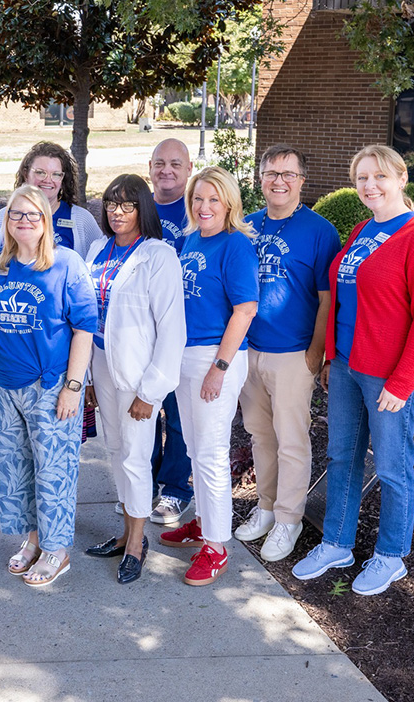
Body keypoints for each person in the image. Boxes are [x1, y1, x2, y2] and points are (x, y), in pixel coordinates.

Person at [293, 145, 414, 596]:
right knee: (342, 456)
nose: (369, 186)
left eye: (379, 176)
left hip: (392, 376)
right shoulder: (363, 229)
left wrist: (402, 383)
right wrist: (331, 359)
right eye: (361, 178)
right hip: (346, 367)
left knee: (393, 465)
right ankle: (337, 542)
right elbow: (346, 301)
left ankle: (391, 555)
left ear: (401, 178)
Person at [0, 185, 97, 587]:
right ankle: (33, 540)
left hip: (51, 386)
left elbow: (84, 327)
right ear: (6, 220)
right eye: (17, 214)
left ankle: (57, 550)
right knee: (17, 469)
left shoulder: (67, 264)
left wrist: (73, 385)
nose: (25, 221)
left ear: (46, 220)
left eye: (33, 215)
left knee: (54, 471)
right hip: (6, 387)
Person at [234, 146, 340, 562]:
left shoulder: (319, 230)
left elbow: (328, 299)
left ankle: (289, 519)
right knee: (260, 435)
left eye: (288, 174)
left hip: (294, 354)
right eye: (271, 172)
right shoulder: (246, 226)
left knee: (293, 440)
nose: (278, 180)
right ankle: (265, 508)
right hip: (249, 351)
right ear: (260, 178)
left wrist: (317, 352)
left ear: (301, 181)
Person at [159, 166, 258, 587]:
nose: (204, 206)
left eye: (213, 199)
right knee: (196, 448)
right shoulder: (190, 240)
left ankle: (217, 547)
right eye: (198, 198)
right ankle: (202, 522)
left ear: (229, 203)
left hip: (216, 357)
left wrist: (219, 367)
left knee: (213, 453)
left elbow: (245, 309)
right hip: (184, 354)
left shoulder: (236, 245)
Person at [83, 174, 184, 584]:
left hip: (138, 374)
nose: (117, 211)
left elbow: (172, 330)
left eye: (126, 204)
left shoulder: (158, 255)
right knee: (115, 451)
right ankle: (125, 533)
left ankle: (139, 543)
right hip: (102, 364)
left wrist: (151, 390)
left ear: (142, 208)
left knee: (136, 457)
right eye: (111, 203)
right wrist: (86, 375)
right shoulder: (96, 249)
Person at [146, 138, 196, 526]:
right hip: (144, 331)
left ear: (189, 167)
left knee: (178, 417)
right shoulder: (141, 207)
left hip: (187, 331)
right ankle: (144, 484)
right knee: (144, 413)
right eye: (160, 162)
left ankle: (176, 490)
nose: (167, 170)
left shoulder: (198, 206)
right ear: (150, 167)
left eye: (175, 163)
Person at [0, 142, 102, 256]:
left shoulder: (82, 220)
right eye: (40, 173)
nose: (48, 180)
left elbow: (97, 263)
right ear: (26, 174)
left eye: (56, 174)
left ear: (63, 179)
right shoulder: (2, 218)